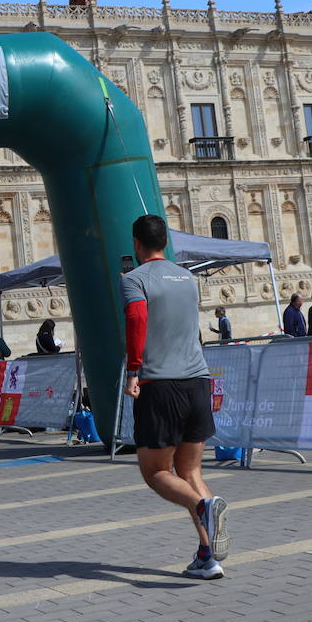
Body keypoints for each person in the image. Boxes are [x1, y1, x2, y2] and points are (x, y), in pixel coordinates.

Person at [122, 214, 228, 580]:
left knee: (155, 472)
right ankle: (207, 554)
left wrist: (133, 370)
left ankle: (203, 506)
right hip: (197, 381)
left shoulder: (133, 279)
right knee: (190, 470)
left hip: (160, 384)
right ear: (165, 242)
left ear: (136, 244)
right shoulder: (187, 277)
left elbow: (137, 321)